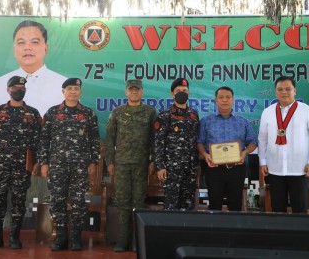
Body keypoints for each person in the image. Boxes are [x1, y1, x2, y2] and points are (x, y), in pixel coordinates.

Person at [38, 78, 100, 251]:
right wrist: (44, 162)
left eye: (76, 88)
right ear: (63, 91)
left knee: (79, 201)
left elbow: (94, 139)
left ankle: (75, 238)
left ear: (80, 92)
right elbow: (44, 140)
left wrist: (94, 161)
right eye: (70, 88)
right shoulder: (52, 113)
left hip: (80, 165)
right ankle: (61, 237)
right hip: (57, 165)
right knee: (58, 201)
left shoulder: (88, 113)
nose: (73, 91)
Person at [0, 20, 67, 141]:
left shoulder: (64, 85)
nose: (27, 48)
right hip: (6, 157)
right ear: (14, 50)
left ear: (45, 48)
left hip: (48, 158)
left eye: (35, 42)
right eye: (21, 43)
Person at [0, 76, 42, 249]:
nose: (18, 90)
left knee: (18, 202)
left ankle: (14, 237)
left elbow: (38, 141)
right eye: (14, 87)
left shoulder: (33, 113)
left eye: (21, 88)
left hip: (22, 166)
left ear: (25, 90)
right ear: (8, 90)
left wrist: (37, 162)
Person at [258, 76, 309, 213]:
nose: (284, 92)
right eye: (280, 89)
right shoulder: (267, 112)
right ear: (275, 92)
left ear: (295, 91)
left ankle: (300, 235)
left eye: (288, 89)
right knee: (277, 209)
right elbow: (262, 139)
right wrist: (262, 161)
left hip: (299, 170)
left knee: (300, 208)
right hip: (275, 169)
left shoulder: (307, 111)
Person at [105, 79, 156, 252]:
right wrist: (110, 161)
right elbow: (110, 138)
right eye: (131, 90)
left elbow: (154, 139)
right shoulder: (117, 112)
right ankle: (122, 240)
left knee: (139, 202)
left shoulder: (150, 112)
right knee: (122, 202)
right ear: (126, 92)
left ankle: (137, 241)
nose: (134, 92)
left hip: (141, 164)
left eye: (137, 90)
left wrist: (152, 160)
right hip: (122, 163)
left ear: (142, 92)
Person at [197, 86, 258, 211]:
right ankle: (215, 230)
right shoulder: (205, 121)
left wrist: (245, 152)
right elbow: (199, 142)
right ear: (216, 100)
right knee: (214, 203)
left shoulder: (243, 122)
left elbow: (253, 142)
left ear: (233, 99)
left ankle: (235, 230)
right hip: (213, 169)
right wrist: (205, 154)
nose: (224, 100)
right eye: (221, 97)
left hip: (236, 169)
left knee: (235, 204)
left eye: (228, 97)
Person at [154, 78, 200, 210]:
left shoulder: (194, 115)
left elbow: (196, 139)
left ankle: (186, 231)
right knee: (171, 206)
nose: (182, 93)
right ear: (172, 94)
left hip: (190, 168)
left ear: (189, 93)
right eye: (178, 91)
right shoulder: (165, 115)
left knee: (187, 206)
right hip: (171, 169)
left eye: (185, 90)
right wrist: (160, 166)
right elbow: (158, 142)